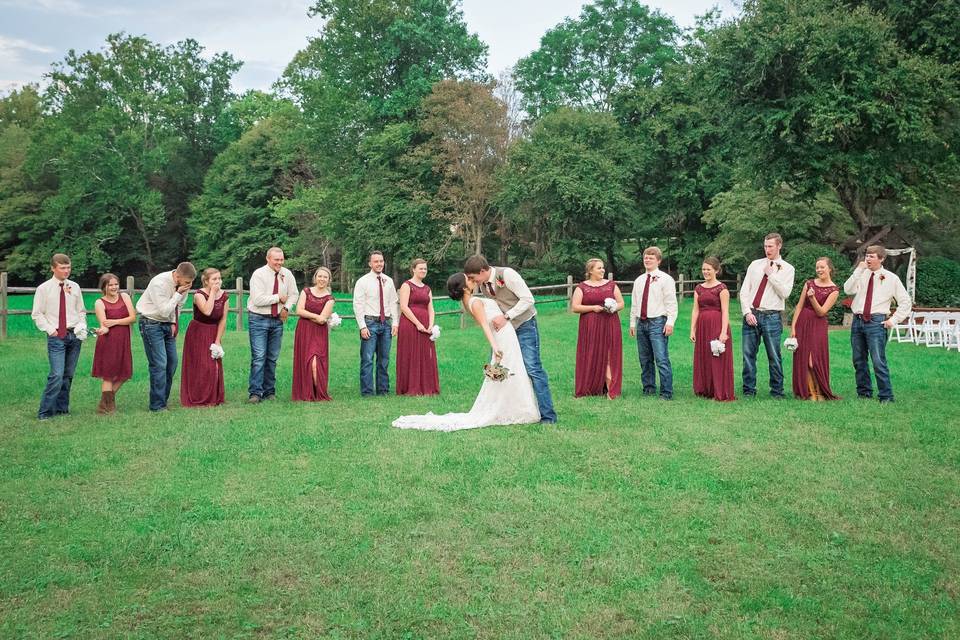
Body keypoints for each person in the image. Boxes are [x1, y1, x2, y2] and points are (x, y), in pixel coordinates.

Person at [392, 273, 540, 431]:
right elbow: (484, 325)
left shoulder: (469, 301)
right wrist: (494, 346)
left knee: (512, 369)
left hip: (504, 334)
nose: (473, 280)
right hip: (502, 337)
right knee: (511, 369)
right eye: (469, 280)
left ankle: (514, 406)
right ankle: (514, 408)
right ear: (464, 287)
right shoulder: (473, 302)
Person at [464, 255, 557, 424]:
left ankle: (548, 415)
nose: (473, 281)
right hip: (505, 332)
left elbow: (528, 299)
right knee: (499, 368)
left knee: (533, 368)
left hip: (525, 325)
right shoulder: (483, 285)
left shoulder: (507, 275)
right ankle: (503, 410)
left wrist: (507, 316)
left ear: (483, 271)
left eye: (473, 277)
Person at [844, 245, 911, 403]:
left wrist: (893, 320)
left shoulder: (891, 278)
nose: (868, 259)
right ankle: (864, 392)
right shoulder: (861, 274)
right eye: (867, 255)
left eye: (872, 256)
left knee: (878, 360)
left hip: (876, 322)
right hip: (858, 321)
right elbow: (847, 289)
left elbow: (905, 302)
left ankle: (886, 395)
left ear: (881, 259)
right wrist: (857, 271)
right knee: (858, 359)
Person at [32, 253, 87, 420]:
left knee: (68, 374)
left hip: (74, 336)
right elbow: (37, 314)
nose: (66, 271)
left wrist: (81, 326)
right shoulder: (43, 289)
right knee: (56, 374)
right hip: (56, 336)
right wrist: (51, 330)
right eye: (62, 268)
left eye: (68, 267)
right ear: (53, 268)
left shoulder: (75, 287)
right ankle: (45, 412)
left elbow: (81, 311)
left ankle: (62, 408)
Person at [739, 232, 795, 398]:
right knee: (748, 355)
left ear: (779, 246)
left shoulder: (788, 268)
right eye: (765, 246)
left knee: (774, 355)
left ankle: (777, 391)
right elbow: (744, 291)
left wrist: (771, 275)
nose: (767, 249)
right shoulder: (755, 264)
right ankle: (749, 390)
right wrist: (747, 312)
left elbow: (785, 293)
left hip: (772, 316)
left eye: (770, 246)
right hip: (752, 314)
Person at [137, 261, 196, 411]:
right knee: (159, 363)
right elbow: (163, 310)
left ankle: (163, 400)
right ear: (177, 276)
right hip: (151, 323)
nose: (189, 285)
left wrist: (174, 323)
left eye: (191, 282)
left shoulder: (184, 285)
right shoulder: (159, 283)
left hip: (167, 324)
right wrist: (178, 294)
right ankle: (157, 406)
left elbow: (179, 306)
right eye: (187, 282)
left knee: (172, 363)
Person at [247, 247, 299, 403]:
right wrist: (278, 298)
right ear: (268, 259)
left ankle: (269, 391)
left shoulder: (287, 274)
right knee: (259, 357)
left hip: (277, 320)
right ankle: (255, 393)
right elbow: (257, 299)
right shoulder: (259, 275)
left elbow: (294, 294)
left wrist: (287, 307)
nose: (279, 262)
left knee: (272, 358)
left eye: (281, 259)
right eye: (276, 259)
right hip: (258, 319)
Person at [629, 247, 678, 400]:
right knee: (644, 358)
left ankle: (666, 391)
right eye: (646, 257)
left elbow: (671, 303)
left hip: (658, 322)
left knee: (661, 358)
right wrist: (632, 323)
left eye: (651, 257)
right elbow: (635, 303)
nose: (647, 260)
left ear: (658, 261)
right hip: (642, 322)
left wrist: (670, 322)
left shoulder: (665, 279)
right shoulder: (639, 280)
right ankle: (648, 388)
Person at [571, 258, 624, 398]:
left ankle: (610, 388)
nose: (602, 270)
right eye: (599, 268)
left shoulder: (611, 285)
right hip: (590, 325)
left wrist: (613, 308)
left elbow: (621, 303)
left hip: (610, 323)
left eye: (603, 268)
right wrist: (592, 308)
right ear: (590, 271)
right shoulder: (582, 287)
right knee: (592, 353)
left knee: (609, 354)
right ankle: (591, 386)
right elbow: (575, 307)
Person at [789, 258, 841, 400]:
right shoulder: (809, 284)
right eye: (817, 267)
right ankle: (810, 393)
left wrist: (812, 298)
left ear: (830, 268)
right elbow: (799, 306)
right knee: (804, 359)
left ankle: (820, 392)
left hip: (818, 325)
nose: (819, 270)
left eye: (822, 267)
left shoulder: (834, 290)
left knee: (814, 360)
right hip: (803, 323)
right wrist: (793, 326)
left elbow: (821, 312)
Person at [353, 251, 399, 396]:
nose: (379, 264)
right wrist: (362, 326)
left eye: (381, 261)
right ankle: (367, 392)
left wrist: (395, 323)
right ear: (370, 264)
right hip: (370, 322)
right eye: (376, 261)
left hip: (386, 324)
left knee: (384, 359)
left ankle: (383, 390)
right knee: (367, 359)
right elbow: (358, 305)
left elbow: (393, 302)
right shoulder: (363, 281)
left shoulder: (388, 281)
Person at [180, 268, 228, 407]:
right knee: (202, 365)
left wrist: (218, 340)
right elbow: (207, 311)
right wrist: (212, 293)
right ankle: (199, 396)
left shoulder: (224, 296)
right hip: (198, 331)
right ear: (206, 281)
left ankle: (214, 396)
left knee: (213, 365)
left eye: (219, 278)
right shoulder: (199, 295)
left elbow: (223, 319)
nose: (218, 282)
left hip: (214, 331)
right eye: (214, 279)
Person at [691, 257, 735, 401]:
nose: (705, 272)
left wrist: (723, 332)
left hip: (717, 325)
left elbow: (725, 311)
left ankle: (719, 389)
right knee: (704, 355)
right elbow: (695, 310)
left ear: (716, 270)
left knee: (717, 356)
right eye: (703, 269)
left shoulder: (722, 289)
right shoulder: (698, 288)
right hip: (703, 327)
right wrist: (693, 329)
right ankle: (705, 388)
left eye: (708, 269)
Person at [91, 273, 135, 413]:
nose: (114, 287)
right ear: (104, 286)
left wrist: (115, 322)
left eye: (116, 284)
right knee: (108, 375)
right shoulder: (99, 302)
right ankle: (107, 407)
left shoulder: (125, 297)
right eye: (110, 285)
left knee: (125, 373)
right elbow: (104, 324)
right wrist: (102, 330)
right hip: (108, 341)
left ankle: (104, 404)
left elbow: (132, 317)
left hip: (123, 340)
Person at [396, 258, 440, 396]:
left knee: (426, 354)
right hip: (410, 324)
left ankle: (426, 385)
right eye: (420, 268)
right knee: (411, 353)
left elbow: (431, 308)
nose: (423, 271)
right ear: (413, 269)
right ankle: (410, 386)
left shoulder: (427, 288)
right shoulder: (407, 285)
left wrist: (431, 324)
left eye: (425, 269)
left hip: (426, 325)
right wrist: (418, 324)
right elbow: (403, 307)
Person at [292, 266, 336, 401]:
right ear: (315, 277)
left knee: (315, 362)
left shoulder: (330, 299)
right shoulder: (306, 291)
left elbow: (323, 320)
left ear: (329, 280)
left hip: (319, 333)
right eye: (320, 276)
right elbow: (298, 311)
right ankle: (305, 391)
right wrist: (316, 317)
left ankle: (318, 392)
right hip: (304, 330)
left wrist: (311, 316)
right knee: (304, 360)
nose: (322, 279)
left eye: (325, 277)